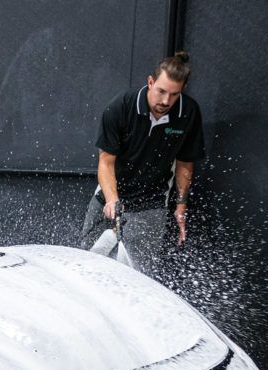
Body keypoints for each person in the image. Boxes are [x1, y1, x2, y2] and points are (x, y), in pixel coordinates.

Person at [80, 51, 206, 275]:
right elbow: (106, 163)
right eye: (161, 91)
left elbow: (185, 163)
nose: (166, 101)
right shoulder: (120, 107)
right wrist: (112, 200)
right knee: (86, 264)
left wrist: (180, 207)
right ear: (150, 82)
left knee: (137, 275)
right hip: (109, 197)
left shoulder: (188, 112)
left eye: (174, 95)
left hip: (151, 204)